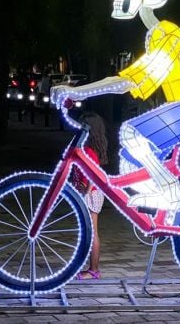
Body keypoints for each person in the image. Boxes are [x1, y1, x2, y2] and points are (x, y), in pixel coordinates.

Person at [52, 0, 180, 213]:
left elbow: (131, 80)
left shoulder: (167, 34)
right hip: (178, 110)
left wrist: (79, 92)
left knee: (129, 132)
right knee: (128, 166)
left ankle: (172, 193)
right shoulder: (156, 34)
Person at [70, 111, 109, 280]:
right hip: (88, 192)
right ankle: (90, 267)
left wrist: (86, 191)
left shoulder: (89, 151)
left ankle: (94, 270)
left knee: (92, 232)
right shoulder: (87, 149)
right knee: (89, 231)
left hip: (91, 194)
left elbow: (92, 174)